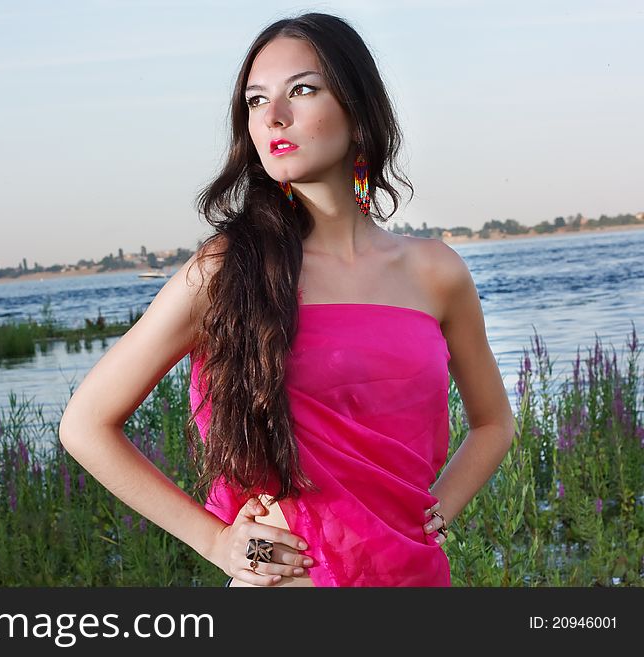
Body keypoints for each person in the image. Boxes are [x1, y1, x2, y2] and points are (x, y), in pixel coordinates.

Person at [58, 12, 515, 587]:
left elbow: (494, 422)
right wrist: (218, 541)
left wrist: (437, 509)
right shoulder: (229, 269)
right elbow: (85, 424)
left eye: (302, 90)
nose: (273, 116)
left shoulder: (435, 272)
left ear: (357, 109)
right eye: (255, 100)